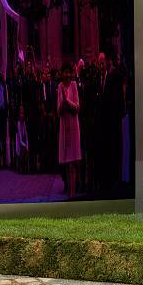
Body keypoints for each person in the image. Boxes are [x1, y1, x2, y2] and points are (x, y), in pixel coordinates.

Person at [57, 61, 81, 198]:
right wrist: (63, 103)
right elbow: (58, 110)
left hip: (73, 127)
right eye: (64, 72)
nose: (66, 75)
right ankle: (69, 193)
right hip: (63, 129)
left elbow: (77, 107)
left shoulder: (74, 86)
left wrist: (67, 102)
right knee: (67, 163)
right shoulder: (59, 87)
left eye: (68, 72)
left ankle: (73, 193)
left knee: (72, 163)